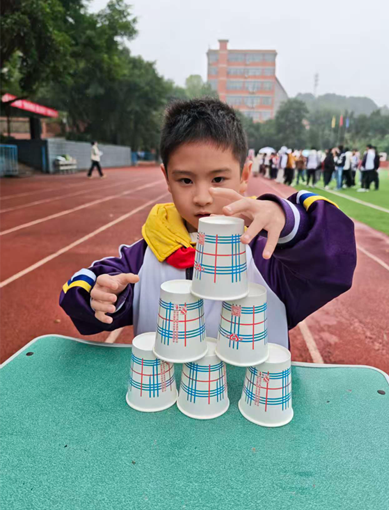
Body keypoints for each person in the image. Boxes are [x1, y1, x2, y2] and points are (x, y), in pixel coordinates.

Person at [59, 98, 356, 351]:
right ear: (166, 178)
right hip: (165, 397)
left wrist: (288, 224)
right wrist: (105, 296)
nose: (202, 198)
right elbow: (83, 293)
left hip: (251, 399)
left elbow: (335, 265)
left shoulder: (271, 255)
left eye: (218, 179)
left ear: (245, 175)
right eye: (185, 180)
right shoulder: (145, 256)